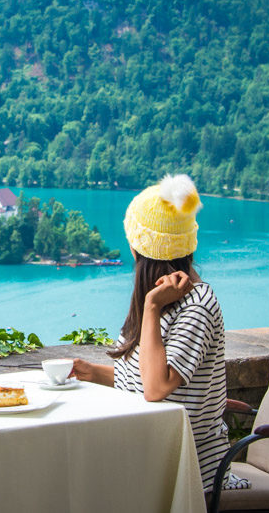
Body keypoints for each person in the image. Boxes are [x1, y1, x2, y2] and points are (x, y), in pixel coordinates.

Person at [69, 174, 248, 494]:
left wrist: (150, 308)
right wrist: (93, 373)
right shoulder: (166, 302)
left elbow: (155, 389)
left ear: (143, 251)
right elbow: (143, 380)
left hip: (188, 475)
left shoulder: (196, 307)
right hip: (149, 457)